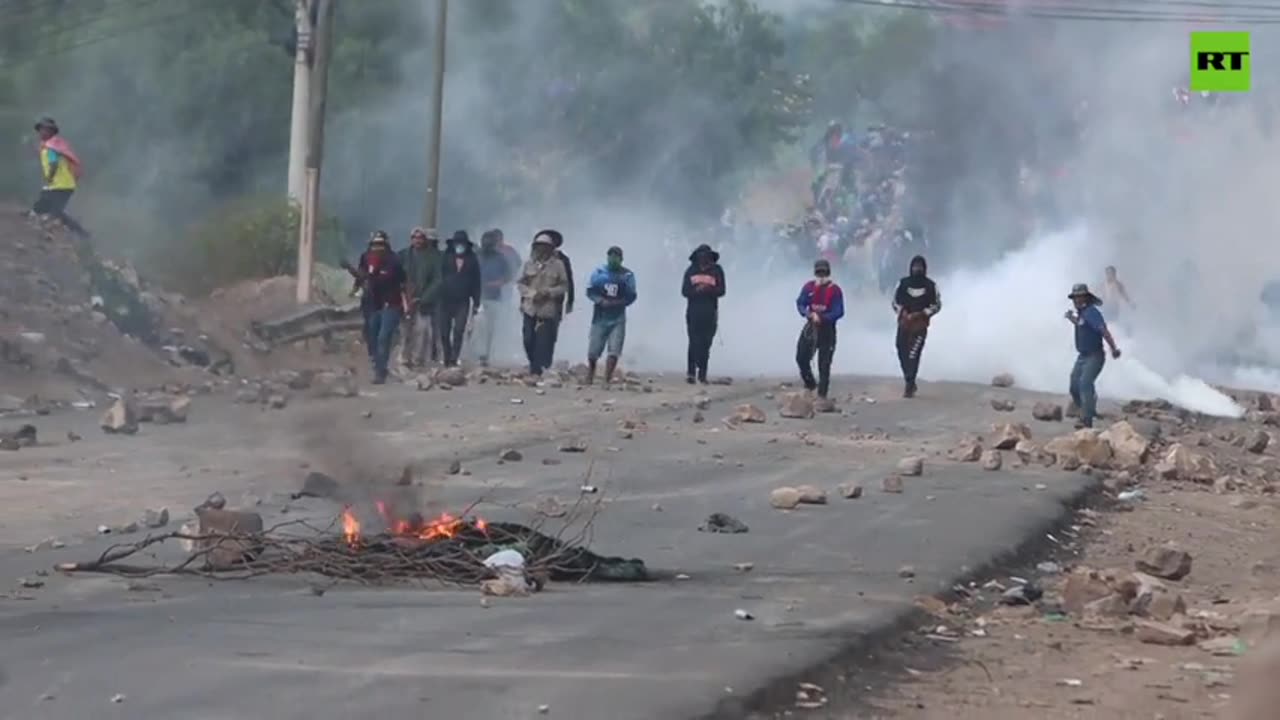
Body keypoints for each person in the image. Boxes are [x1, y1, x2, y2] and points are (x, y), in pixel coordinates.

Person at [342, 231, 407, 384]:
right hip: (372, 304)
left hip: (391, 304)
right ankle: (379, 365)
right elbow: (362, 276)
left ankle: (380, 372)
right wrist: (354, 286)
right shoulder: (366, 258)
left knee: (383, 337)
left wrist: (406, 304)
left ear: (386, 245)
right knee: (371, 337)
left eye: (380, 245)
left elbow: (399, 281)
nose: (377, 248)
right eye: (374, 245)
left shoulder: (394, 261)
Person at [1064, 283, 1122, 429]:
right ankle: (1087, 406)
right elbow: (1082, 324)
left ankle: (1087, 419)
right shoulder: (1083, 313)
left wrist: (1114, 349)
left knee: (1084, 383)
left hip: (1095, 356)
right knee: (1074, 385)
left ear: (1086, 297)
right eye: (1074, 298)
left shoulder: (1092, 313)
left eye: (1079, 297)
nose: (1076, 300)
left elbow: (1104, 331)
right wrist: (1072, 318)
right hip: (1082, 356)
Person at [517, 231, 569, 377]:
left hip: (547, 309)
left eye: (545, 246)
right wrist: (531, 294)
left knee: (543, 341)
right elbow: (521, 283)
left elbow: (564, 286)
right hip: (530, 307)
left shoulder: (558, 265)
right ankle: (534, 363)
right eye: (539, 246)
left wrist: (548, 292)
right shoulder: (528, 264)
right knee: (528, 339)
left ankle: (538, 369)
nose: (542, 249)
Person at [584, 246, 637, 387]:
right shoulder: (599, 273)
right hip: (600, 317)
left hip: (618, 317)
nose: (613, 259)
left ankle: (607, 378)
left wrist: (618, 302)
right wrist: (601, 301)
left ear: (621, 259)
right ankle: (591, 372)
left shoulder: (627, 276)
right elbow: (589, 291)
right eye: (611, 256)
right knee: (593, 349)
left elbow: (632, 296)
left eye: (616, 256)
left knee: (614, 349)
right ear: (607, 257)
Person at [891, 254, 942, 398]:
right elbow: (894, 301)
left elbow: (937, 305)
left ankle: (909, 383)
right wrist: (902, 312)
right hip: (904, 323)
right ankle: (909, 378)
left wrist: (923, 313)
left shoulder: (931, 285)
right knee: (901, 349)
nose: (917, 269)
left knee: (914, 354)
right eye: (915, 266)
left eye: (920, 267)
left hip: (920, 326)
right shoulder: (903, 283)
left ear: (924, 268)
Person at [795, 258, 845, 399]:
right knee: (801, 357)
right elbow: (800, 303)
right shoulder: (809, 288)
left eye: (824, 273)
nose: (821, 277)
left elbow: (839, 311)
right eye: (819, 273)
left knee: (824, 363)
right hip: (811, 328)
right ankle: (810, 384)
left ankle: (822, 395)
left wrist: (823, 318)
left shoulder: (835, 291)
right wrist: (808, 314)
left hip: (827, 330)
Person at [31, 117, 88, 237]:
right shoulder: (49, 146)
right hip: (56, 185)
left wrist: (49, 177)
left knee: (57, 212)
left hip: (62, 185)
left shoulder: (51, 147)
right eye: (41, 129)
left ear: (51, 132)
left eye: (45, 130)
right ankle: (35, 215)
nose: (42, 132)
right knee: (43, 205)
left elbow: (53, 164)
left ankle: (82, 234)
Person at [681, 244, 726, 384]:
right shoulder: (690, 271)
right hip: (693, 312)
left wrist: (708, 290)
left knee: (706, 343)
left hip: (710, 313)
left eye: (706, 255)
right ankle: (691, 373)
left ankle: (703, 373)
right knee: (694, 342)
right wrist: (697, 291)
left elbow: (722, 290)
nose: (703, 258)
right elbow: (685, 292)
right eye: (701, 255)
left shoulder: (717, 271)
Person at [436, 230, 482, 367]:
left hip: (463, 301)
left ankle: (454, 359)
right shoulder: (445, 257)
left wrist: (476, 302)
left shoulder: (472, 260)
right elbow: (438, 277)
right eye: (457, 243)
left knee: (458, 331)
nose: (459, 246)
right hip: (445, 300)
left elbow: (476, 282)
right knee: (444, 332)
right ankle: (446, 356)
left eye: (462, 243)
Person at [398, 227, 442, 368]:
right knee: (405, 331)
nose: (417, 240)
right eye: (415, 237)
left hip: (425, 301)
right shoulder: (403, 255)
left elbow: (437, 280)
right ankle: (404, 358)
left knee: (422, 331)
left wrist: (424, 297)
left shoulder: (433, 257)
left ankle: (419, 360)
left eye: (420, 238)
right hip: (405, 298)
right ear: (411, 239)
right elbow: (396, 275)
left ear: (425, 240)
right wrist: (403, 294)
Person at [473, 229, 514, 367]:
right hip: (476, 296)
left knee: (489, 328)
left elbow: (508, 276)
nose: (486, 244)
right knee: (475, 326)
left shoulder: (500, 258)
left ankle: (485, 355)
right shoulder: (475, 256)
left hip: (493, 298)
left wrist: (499, 283)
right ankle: (474, 353)